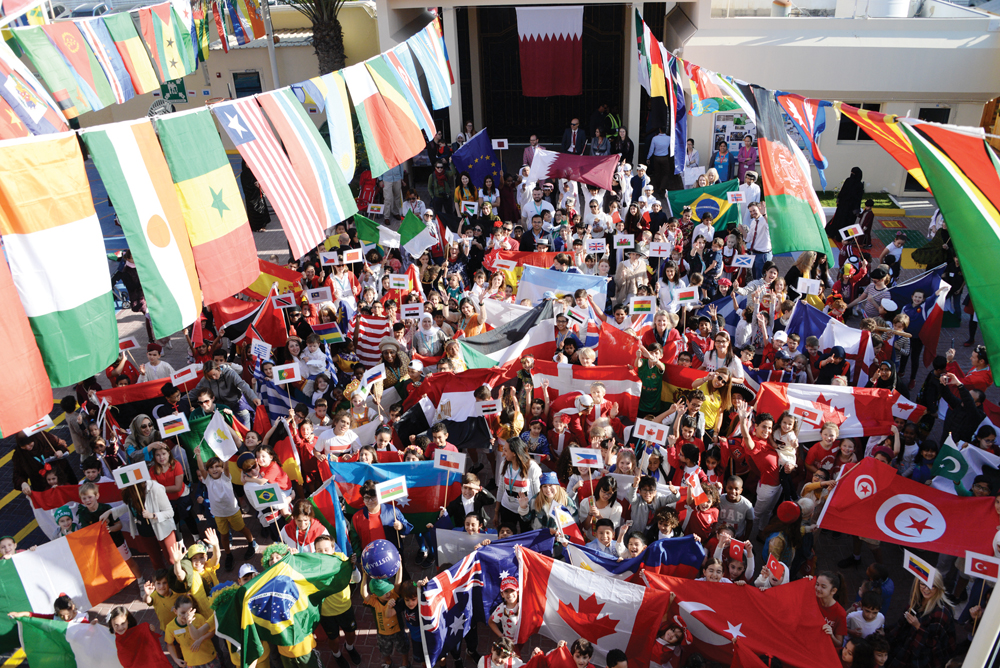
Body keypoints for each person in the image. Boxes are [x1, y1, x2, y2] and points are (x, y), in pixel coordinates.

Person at [885, 573, 956, 668]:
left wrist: (918, 626)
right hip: (906, 647)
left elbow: (933, 645)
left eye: (932, 586)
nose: (926, 589)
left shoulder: (941, 613)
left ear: (938, 587)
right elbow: (901, 625)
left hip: (921, 658)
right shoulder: (917, 600)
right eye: (923, 584)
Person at [192, 361, 260, 427]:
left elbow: (243, 385)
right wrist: (182, 399)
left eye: (214, 374)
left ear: (218, 368)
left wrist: (254, 397)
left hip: (237, 405)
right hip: (222, 409)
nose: (213, 378)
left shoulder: (230, 374)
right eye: (210, 377)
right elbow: (195, 391)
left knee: (245, 426)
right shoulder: (205, 380)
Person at [828, 167, 865, 237]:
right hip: (850, 208)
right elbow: (858, 198)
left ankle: (833, 233)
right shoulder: (858, 185)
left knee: (839, 220)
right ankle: (843, 237)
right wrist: (856, 209)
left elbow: (842, 192)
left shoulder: (849, 181)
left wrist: (839, 200)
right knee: (846, 222)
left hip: (844, 205)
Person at [740, 202, 771, 281]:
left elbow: (769, 225)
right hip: (754, 253)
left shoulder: (764, 220)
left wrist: (764, 214)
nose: (752, 213)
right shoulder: (753, 222)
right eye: (750, 211)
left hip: (763, 255)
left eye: (754, 210)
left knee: (762, 279)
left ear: (759, 208)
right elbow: (748, 238)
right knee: (755, 278)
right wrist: (742, 230)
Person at [647, 127, 672, 194]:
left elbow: (651, 149)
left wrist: (648, 158)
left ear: (659, 130)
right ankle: (662, 187)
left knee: (657, 173)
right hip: (665, 157)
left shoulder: (655, 138)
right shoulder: (669, 138)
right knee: (666, 173)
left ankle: (658, 186)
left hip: (656, 157)